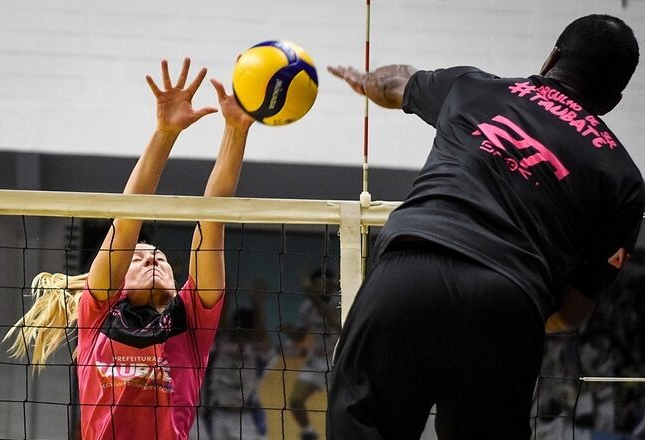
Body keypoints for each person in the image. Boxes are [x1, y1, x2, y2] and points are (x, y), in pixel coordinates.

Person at [326, 14, 644, 439]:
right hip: (512, 302)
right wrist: (504, 309)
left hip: (411, 270)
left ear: (552, 57)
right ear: (615, 99)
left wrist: (365, 80)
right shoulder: (622, 177)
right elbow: (573, 311)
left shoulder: (475, 88)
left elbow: (396, 81)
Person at [4, 57, 254, 440]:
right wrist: (165, 133)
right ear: (119, 281)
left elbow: (212, 219)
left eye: (160, 257)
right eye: (138, 257)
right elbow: (127, 218)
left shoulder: (191, 322)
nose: (153, 257)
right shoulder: (99, 311)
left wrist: (236, 131)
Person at [200, 279, 275, 440]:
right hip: (217, 415)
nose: (241, 335)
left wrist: (258, 304)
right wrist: (225, 294)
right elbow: (217, 326)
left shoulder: (257, 352)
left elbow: (263, 337)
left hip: (247, 418)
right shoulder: (219, 345)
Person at [285, 269, 340, 440]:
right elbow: (300, 336)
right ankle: (308, 431)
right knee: (295, 400)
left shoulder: (340, 301)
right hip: (315, 361)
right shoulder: (308, 306)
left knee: (338, 408)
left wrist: (311, 295)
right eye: (316, 284)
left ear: (333, 284)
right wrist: (290, 332)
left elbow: (334, 321)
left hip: (338, 362)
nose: (320, 287)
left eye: (324, 283)